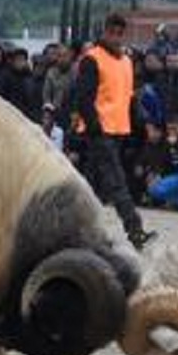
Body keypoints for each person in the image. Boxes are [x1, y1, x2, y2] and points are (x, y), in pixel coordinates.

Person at [72, 14, 153, 249]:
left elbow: (129, 98)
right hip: (100, 129)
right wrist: (94, 126)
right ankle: (135, 229)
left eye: (120, 33)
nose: (116, 37)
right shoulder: (91, 59)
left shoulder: (126, 62)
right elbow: (84, 98)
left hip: (119, 128)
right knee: (117, 181)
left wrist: (142, 122)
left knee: (92, 182)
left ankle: (77, 227)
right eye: (112, 32)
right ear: (105, 31)